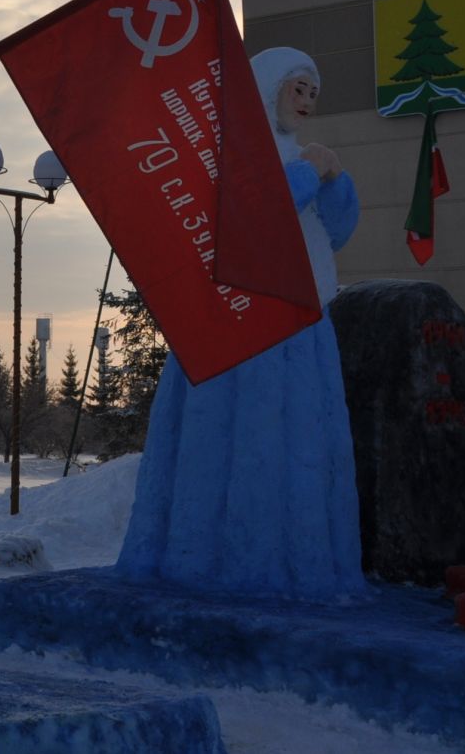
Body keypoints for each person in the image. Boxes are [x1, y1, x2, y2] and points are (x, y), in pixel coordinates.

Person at [116, 46, 365, 601]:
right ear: (267, 88)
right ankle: (215, 558)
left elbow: (337, 232)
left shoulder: (301, 155)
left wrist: (336, 180)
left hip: (303, 319)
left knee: (303, 442)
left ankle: (305, 561)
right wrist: (308, 172)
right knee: (232, 443)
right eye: (296, 88)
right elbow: (253, 217)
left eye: (312, 93)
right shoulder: (231, 155)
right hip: (242, 321)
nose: (306, 101)